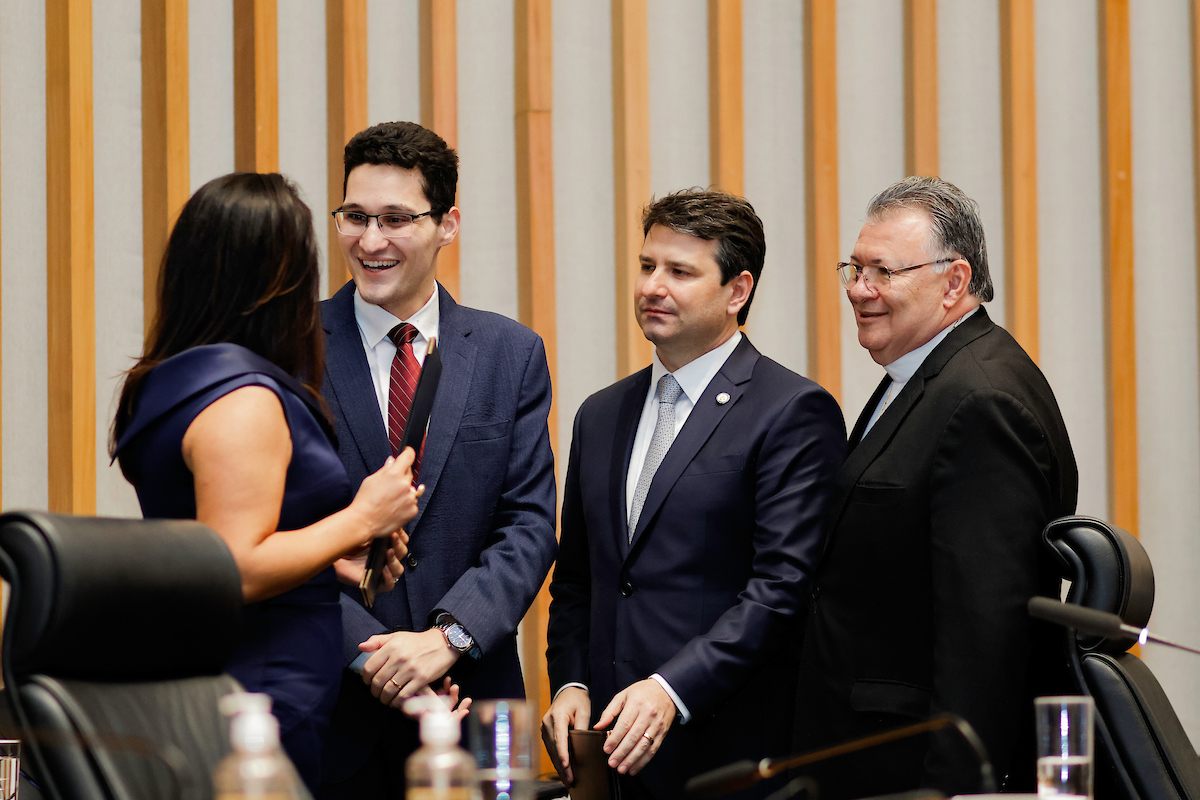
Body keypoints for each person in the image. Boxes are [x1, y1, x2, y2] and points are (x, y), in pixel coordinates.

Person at [111, 172, 418, 794]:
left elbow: (202, 544)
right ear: (279, 277)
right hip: (263, 685)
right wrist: (361, 519)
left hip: (228, 672)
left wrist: (326, 555)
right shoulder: (244, 399)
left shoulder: (170, 380)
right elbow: (236, 566)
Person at [543, 189, 847, 800]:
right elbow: (578, 580)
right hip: (606, 754)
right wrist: (570, 685)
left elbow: (780, 591)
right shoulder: (600, 414)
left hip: (723, 752)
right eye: (647, 265)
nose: (653, 286)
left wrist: (671, 688)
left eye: (680, 272)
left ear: (737, 291)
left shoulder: (790, 410)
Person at [792, 176, 1078, 797]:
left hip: (914, 767)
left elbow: (986, 634)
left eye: (883, 273)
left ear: (954, 283)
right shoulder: (924, 375)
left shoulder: (982, 400)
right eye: (854, 268)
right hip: (861, 752)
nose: (858, 290)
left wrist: (953, 788)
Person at [318, 121, 558, 799]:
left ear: (446, 224)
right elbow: (273, 535)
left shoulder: (510, 354)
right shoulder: (288, 351)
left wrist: (446, 637)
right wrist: (375, 657)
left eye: (396, 219)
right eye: (354, 217)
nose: (370, 241)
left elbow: (529, 524)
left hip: (471, 702)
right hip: (333, 707)